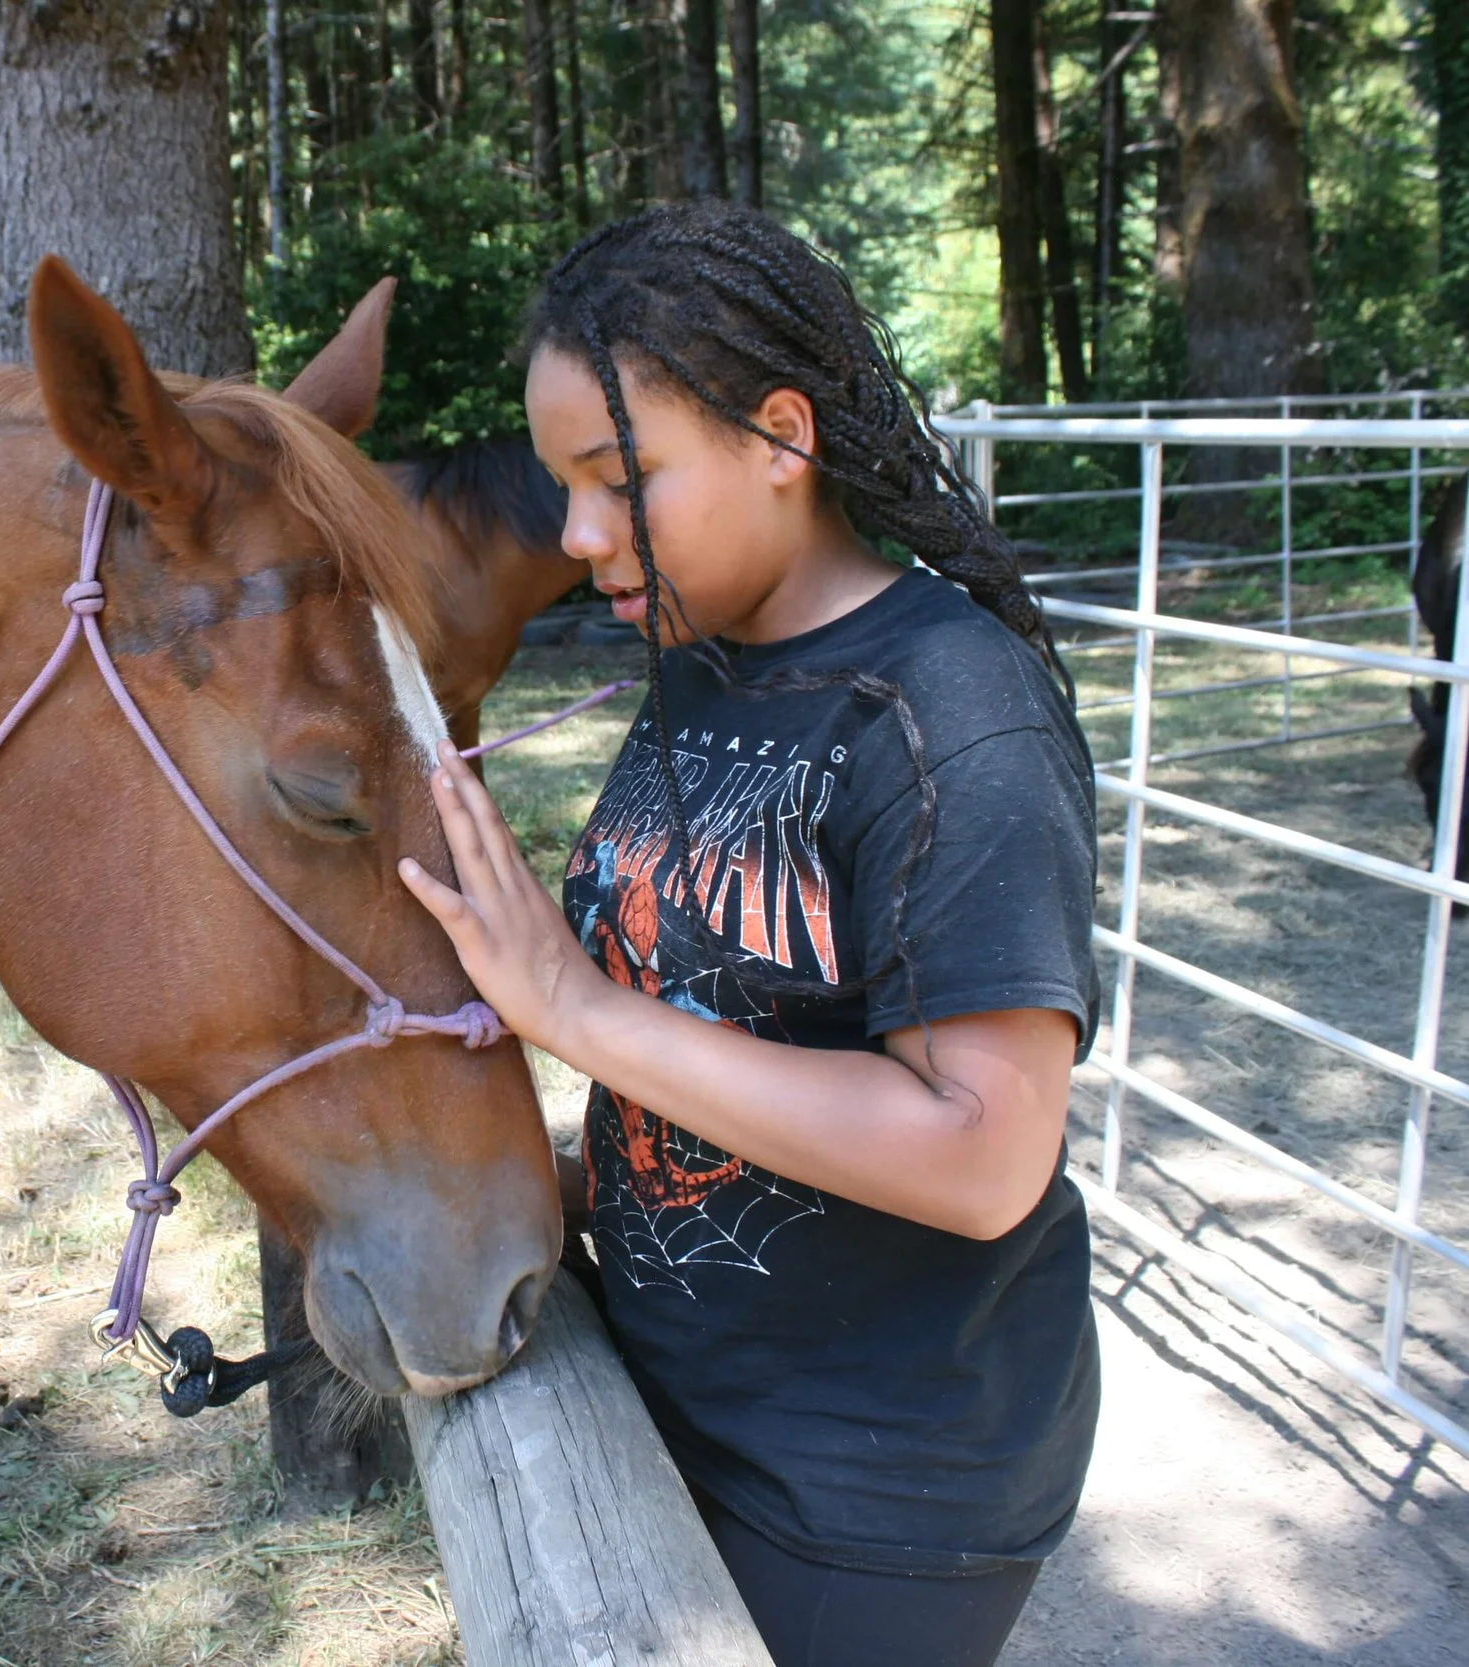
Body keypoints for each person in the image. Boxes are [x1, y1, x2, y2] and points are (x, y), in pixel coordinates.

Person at [396, 202, 1101, 1667]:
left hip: (877, 1488)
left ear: (781, 438)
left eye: (616, 478)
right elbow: (730, 1026)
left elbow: (982, 1154)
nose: (578, 536)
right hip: (686, 1387)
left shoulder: (947, 709)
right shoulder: (704, 660)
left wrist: (579, 1013)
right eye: (559, 488)